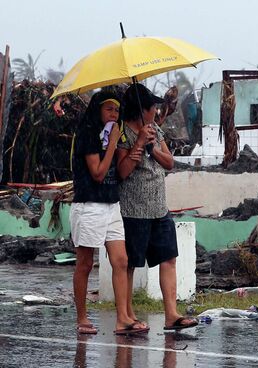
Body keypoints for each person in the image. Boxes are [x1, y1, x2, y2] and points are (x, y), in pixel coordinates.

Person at [116, 83, 198, 331]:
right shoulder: (122, 135)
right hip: (134, 210)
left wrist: (152, 147)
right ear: (142, 110)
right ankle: (128, 315)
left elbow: (169, 162)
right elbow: (122, 171)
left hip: (159, 207)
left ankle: (171, 314)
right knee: (130, 264)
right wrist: (139, 144)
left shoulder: (155, 130)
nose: (155, 111)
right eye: (152, 108)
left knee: (168, 258)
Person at [70, 90, 148, 335]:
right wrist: (113, 143)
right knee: (85, 263)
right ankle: (82, 318)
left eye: (116, 110)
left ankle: (123, 318)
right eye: (108, 109)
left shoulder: (113, 133)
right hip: (90, 205)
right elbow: (98, 174)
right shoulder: (88, 134)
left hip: (111, 203)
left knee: (121, 261)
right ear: (97, 110)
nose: (114, 114)